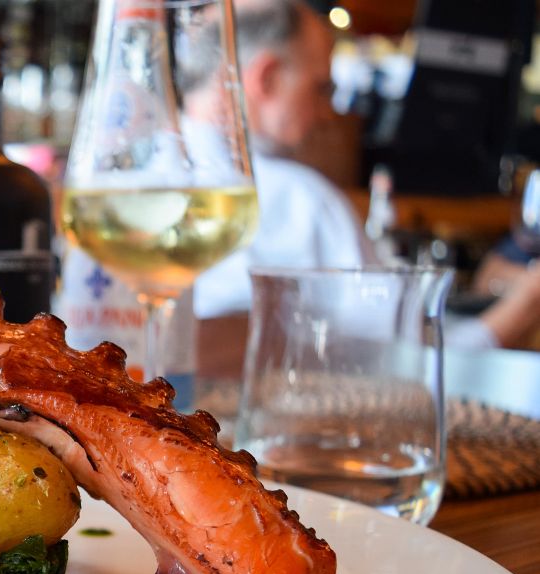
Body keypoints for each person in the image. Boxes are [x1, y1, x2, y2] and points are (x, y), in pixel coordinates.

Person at [188, 0, 540, 350]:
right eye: (321, 88)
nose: (328, 113)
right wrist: (523, 308)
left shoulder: (148, 183)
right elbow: (409, 363)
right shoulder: (302, 201)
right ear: (266, 78)